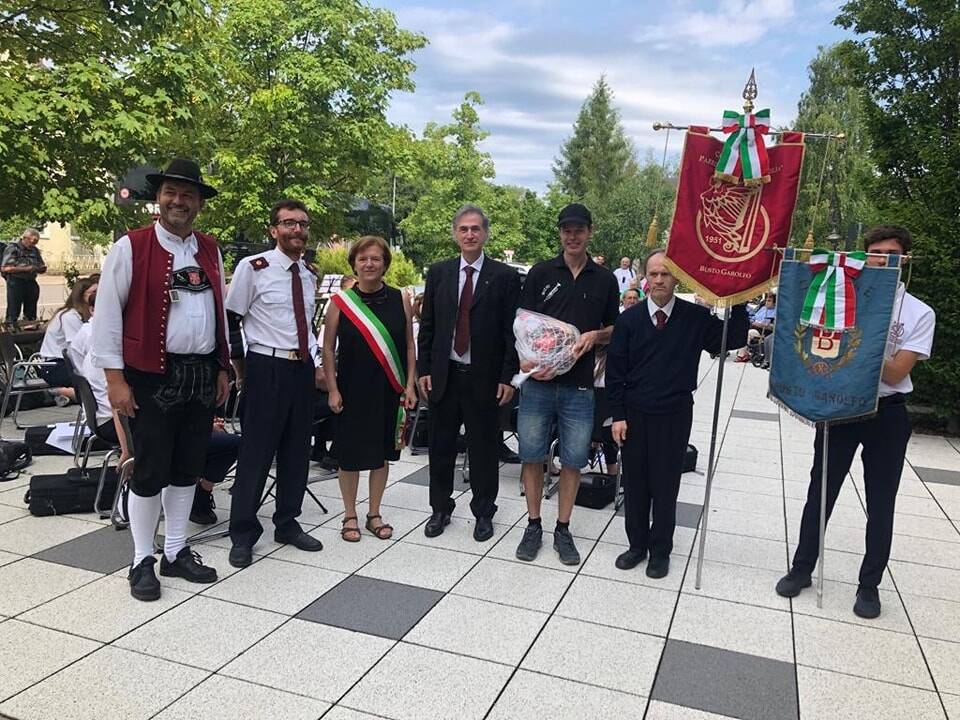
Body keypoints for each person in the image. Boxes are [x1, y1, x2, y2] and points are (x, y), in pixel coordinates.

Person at [776, 225, 935, 619]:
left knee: (881, 502)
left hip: (888, 411)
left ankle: (869, 585)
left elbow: (897, 372)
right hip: (842, 406)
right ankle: (801, 569)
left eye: (891, 254)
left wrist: (857, 352)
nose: (882, 260)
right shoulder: (844, 299)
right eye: (875, 252)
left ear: (905, 259)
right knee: (821, 490)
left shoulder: (919, 312)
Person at [92, 158, 230, 601]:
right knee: (150, 471)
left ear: (199, 204)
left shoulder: (210, 249)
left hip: (202, 373)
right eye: (172, 192)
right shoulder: (130, 247)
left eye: (188, 195)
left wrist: (223, 366)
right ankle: (141, 559)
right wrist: (115, 379)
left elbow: (218, 315)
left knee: (187, 467)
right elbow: (107, 317)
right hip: (150, 374)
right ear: (159, 197)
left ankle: (175, 549)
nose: (179, 201)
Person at [607, 249, 748, 578]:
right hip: (634, 413)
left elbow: (734, 337)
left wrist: (740, 297)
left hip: (674, 413)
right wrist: (618, 415)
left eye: (665, 274)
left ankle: (660, 550)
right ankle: (637, 546)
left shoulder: (694, 319)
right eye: (653, 274)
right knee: (636, 482)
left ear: (676, 278)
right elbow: (615, 373)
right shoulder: (628, 320)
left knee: (666, 484)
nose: (659, 280)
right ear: (644, 279)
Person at [515, 203, 619, 565]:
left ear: (590, 232)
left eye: (579, 229)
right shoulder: (541, 272)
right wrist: (527, 362)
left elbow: (614, 329)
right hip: (539, 384)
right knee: (531, 455)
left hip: (579, 386)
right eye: (566, 230)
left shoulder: (605, 279)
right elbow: (523, 325)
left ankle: (563, 528)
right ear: (559, 233)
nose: (572, 236)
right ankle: (532, 524)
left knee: (573, 460)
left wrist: (595, 336)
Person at [225, 199, 325, 567]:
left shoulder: (309, 274)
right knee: (256, 453)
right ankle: (243, 532)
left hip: (300, 371)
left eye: (302, 224)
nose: (296, 230)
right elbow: (230, 319)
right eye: (288, 224)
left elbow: (307, 328)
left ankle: (287, 521)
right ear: (273, 230)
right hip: (265, 367)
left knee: (298, 450)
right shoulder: (253, 268)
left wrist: (316, 365)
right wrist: (239, 368)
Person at [417, 205, 521, 541]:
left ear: (485, 233)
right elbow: (428, 327)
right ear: (455, 233)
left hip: (485, 380)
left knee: (484, 450)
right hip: (444, 376)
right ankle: (440, 508)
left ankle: (483, 512)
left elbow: (511, 332)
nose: (470, 235)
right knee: (442, 447)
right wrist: (423, 370)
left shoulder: (504, 277)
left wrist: (508, 377)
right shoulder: (439, 273)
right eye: (463, 229)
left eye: (476, 229)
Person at [323, 236, 417, 542]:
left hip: (389, 387)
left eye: (376, 259)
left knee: (381, 454)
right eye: (363, 259)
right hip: (351, 388)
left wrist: (411, 384)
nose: (369, 264)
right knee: (349, 454)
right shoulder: (340, 303)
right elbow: (327, 349)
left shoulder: (400, 298)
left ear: (385, 264)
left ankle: (374, 513)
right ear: (354, 264)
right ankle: (349, 514)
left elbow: (409, 345)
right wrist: (333, 389)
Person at [39, 276, 98, 403]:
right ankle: (61, 391)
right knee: (95, 386)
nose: (97, 295)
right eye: (93, 292)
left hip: (62, 363)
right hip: (55, 366)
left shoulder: (78, 315)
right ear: (81, 296)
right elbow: (76, 349)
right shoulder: (70, 316)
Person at [2, 227, 46, 322]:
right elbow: (5, 268)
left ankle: (29, 328)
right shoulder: (13, 248)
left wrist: (40, 268)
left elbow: (41, 265)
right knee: (14, 309)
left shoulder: (35, 250)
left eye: (36, 242)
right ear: (25, 238)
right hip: (16, 281)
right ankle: (11, 329)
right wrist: (26, 268)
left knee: (31, 310)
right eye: (33, 241)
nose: (34, 244)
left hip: (31, 281)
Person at [736, 293, 776, 362]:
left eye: (769, 301)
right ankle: (742, 351)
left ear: (774, 303)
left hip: (762, 330)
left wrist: (757, 324)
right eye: (766, 300)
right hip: (753, 325)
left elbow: (768, 325)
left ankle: (742, 355)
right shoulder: (763, 308)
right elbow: (754, 316)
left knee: (748, 333)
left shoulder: (775, 312)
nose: (766, 302)